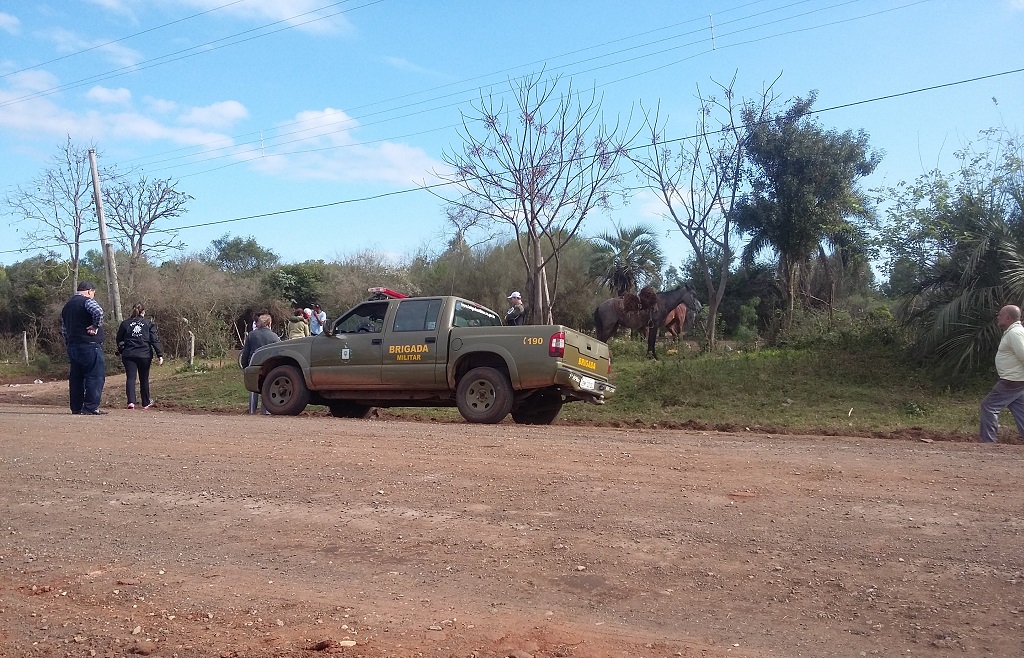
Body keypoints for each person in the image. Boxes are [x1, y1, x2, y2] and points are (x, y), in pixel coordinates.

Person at [60, 280, 107, 415]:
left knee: (76, 378)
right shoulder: (86, 301)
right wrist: (95, 326)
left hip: (73, 346)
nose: (93, 296)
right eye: (93, 293)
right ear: (89, 291)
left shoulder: (67, 306)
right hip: (89, 344)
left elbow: (64, 329)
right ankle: (91, 407)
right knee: (95, 376)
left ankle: (77, 407)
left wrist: (68, 342)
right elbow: (98, 311)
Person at [980, 304, 1024, 443]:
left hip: (1012, 380)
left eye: (1000, 315)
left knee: (988, 406)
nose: (998, 317)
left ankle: (988, 442)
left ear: (1008, 317)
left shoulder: (1014, 333)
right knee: (1020, 410)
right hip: (1017, 380)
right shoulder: (1015, 331)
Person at [116, 303, 164, 410]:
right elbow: (154, 340)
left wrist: (121, 349)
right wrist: (159, 354)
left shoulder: (125, 323)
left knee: (131, 378)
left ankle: (131, 402)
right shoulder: (148, 324)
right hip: (144, 355)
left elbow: (119, 339)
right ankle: (145, 402)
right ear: (143, 312)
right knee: (144, 378)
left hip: (129, 354)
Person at [240, 313, 280, 414]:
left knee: (253, 389)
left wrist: (244, 365)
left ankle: (252, 410)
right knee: (266, 387)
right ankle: (266, 411)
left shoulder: (251, 335)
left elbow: (246, 352)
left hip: (253, 364)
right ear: (269, 323)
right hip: (269, 366)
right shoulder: (275, 337)